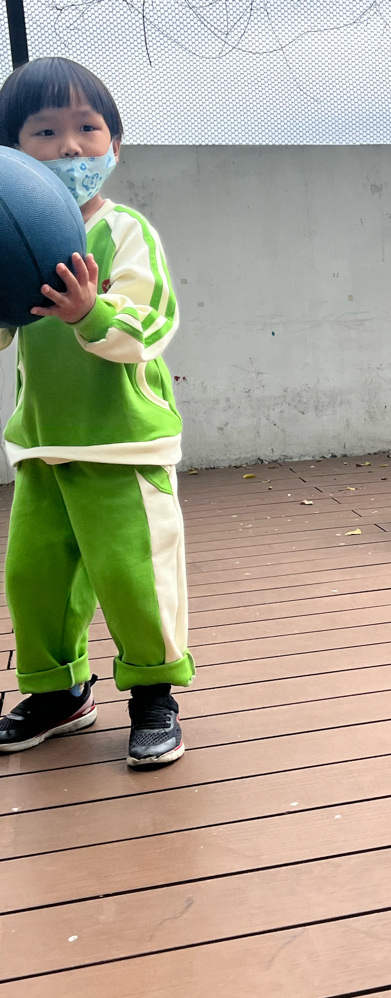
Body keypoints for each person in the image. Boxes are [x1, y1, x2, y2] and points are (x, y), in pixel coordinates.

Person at [0, 57, 194, 769]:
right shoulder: (10, 237)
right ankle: (60, 693)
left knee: (134, 577)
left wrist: (91, 311)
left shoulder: (124, 232)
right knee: (35, 580)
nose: (71, 147)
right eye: (45, 132)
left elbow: (151, 323)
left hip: (123, 446)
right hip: (44, 445)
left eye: (88, 128)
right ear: (11, 153)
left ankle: (154, 695)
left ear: (115, 141)